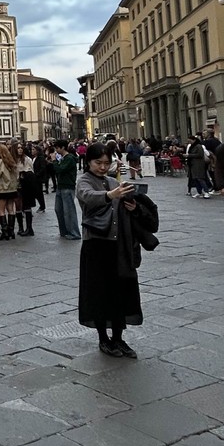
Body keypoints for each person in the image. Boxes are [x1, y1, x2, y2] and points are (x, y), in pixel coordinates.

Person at [76, 143, 158, 358]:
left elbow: (127, 210)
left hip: (119, 245)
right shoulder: (84, 180)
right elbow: (88, 197)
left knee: (122, 291)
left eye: (106, 163)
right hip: (96, 244)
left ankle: (119, 338)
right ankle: (104, 338)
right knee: (99, 292)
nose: (103, 167)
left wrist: (134, 207)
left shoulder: (114, 181)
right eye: (98, 163)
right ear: (88, 162)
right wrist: (112, 194)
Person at [50, 141, 81, 240]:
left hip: (67, 186)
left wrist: (54, 161)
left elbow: (60, 169)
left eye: (57, 148)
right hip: (61, 186)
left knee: (69, 210)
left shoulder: (69, 159)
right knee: (58, 209)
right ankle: (64, 231)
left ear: (63, 148)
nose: (56, 150)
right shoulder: (63, 158)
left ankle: (74, 233)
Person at [0, 143, 21, 240]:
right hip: (12, 189)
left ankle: (5, 232)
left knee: (1, 210)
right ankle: (11, 231)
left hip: (3, 188)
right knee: (11, 209)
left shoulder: (0, 162)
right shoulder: (11, 161)